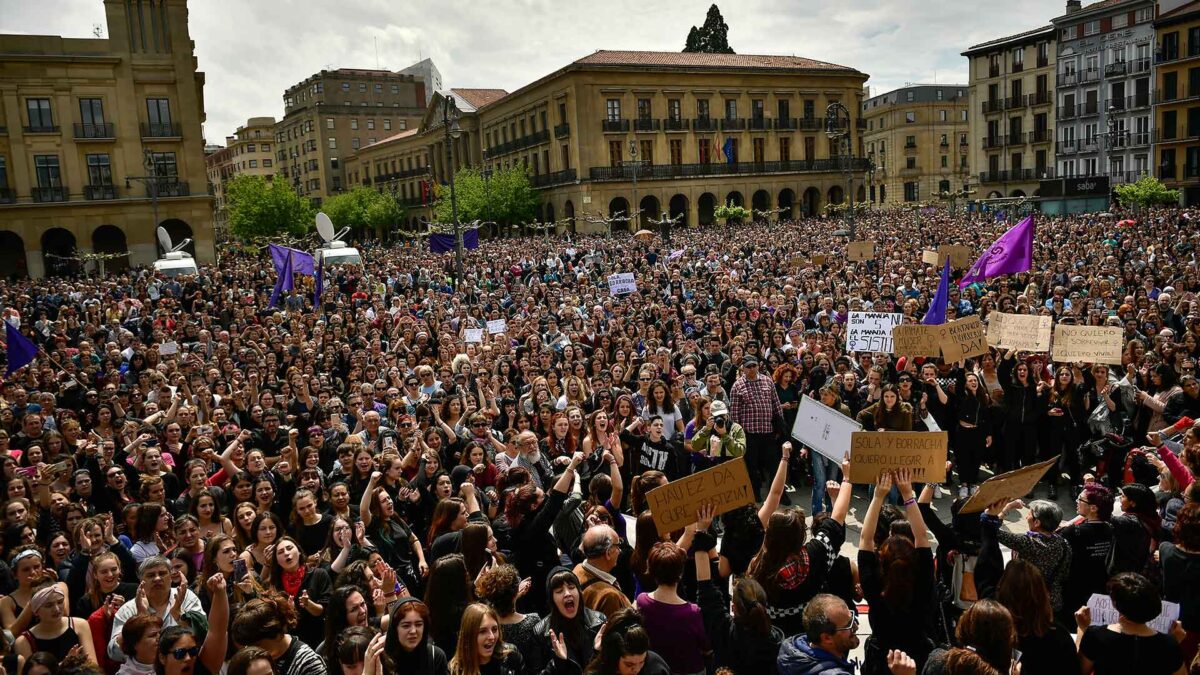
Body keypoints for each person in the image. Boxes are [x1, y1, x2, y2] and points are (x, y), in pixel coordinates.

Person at [857, 469, 935, 675]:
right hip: (918, 658)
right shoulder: (922, 580)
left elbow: (865, 539)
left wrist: (878, 496)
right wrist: (908, 494)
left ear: (881, 562)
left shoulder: (874, 586)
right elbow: (922, 537)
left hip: (880, 660)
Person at [1075, 573, 1186, 675]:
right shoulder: (1169, 644)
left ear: (1115, 604)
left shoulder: (1096, 635)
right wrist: (1173, 644)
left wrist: (1082, 631)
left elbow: (1079, 671)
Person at [108, 556, 203, 662]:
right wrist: (140, 619)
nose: (157, 578)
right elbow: (114, 652)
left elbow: (202, 635)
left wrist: (178, 615)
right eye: (151, 575)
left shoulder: (186, 597)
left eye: (162, 573)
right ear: (141, 581)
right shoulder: (129, 609)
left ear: (171, 577)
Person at [230, 597, 328, 675]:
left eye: (257, 644)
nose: (251, 649)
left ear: (275, 635)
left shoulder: (308, 664)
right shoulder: (255, 660)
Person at [777, 594, 860, 675]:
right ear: (827, 638)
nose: (856, 627)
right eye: (848, 625)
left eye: (852, 619)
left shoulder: (791, 652)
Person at [583, 608, 670, 675]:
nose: (636, 670)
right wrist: (596, 653)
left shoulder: (656, 668)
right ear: (614, 657)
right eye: (629, 665)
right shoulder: (601, 669)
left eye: (641, 662)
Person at [572, 525, 631, 621]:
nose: (620, 551)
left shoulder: (578, 568)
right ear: (608, 553)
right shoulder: (609, 596)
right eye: (618, 546)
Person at [382, 598, 450, 675]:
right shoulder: (384, 659)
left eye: (418, 624)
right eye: (406, 626)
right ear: (395, 628)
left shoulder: (435, 656)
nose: (413, 631)